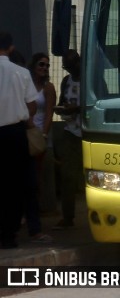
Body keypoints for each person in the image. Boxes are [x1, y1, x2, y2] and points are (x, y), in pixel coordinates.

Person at [0, 32, 38, 248]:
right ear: (11, 48)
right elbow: (32, 106)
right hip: (15, 134)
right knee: (15, 184)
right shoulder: (21, 73)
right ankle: (9, 234)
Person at [27, 53, 58, 240]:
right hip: (26, 133)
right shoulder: (27, 85)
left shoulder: (49, 88)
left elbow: (49, 113)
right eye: (41, 64)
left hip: (40, 135)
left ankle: (36, 214)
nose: (44, 68)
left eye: (47, 65)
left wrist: (44, 135)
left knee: (38, 176)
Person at [53, 49, 83, 230]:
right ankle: (68, 217)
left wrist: (77, 108)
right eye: (66, 67)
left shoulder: (90, 79)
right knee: (67, 176)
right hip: (70, 132)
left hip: (88, 132)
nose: (69, 70)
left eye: (71, 65)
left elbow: (97, 102)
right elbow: (62, 101)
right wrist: (62, 109)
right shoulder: (66, 81)